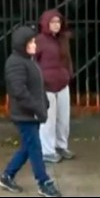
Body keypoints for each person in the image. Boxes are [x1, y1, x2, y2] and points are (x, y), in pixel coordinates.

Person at [0, 25, 62, 197]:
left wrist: (44, 102)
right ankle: (43, 182)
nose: (35, 45)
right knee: (35, 147)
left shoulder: (28, 61)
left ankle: (7, 175)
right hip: (24, 114)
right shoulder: (15, 63)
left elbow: (36, 85)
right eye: (32, 42)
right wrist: (37, 108)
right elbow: (19, 91)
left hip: (31, 112)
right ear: (23, 44)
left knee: (28, 147)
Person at [35, 10, 74, 164]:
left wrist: (68, 74)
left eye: (58, 22)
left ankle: (61, 146)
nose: (56, 25)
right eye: (53, 22)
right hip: (46, 86)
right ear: (45, 23)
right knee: (47, 121)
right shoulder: (39, 40)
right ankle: (47, 150)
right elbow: (33, 61)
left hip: (62, 83)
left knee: (63, 119)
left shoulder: (63, 39)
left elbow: (68, 59)